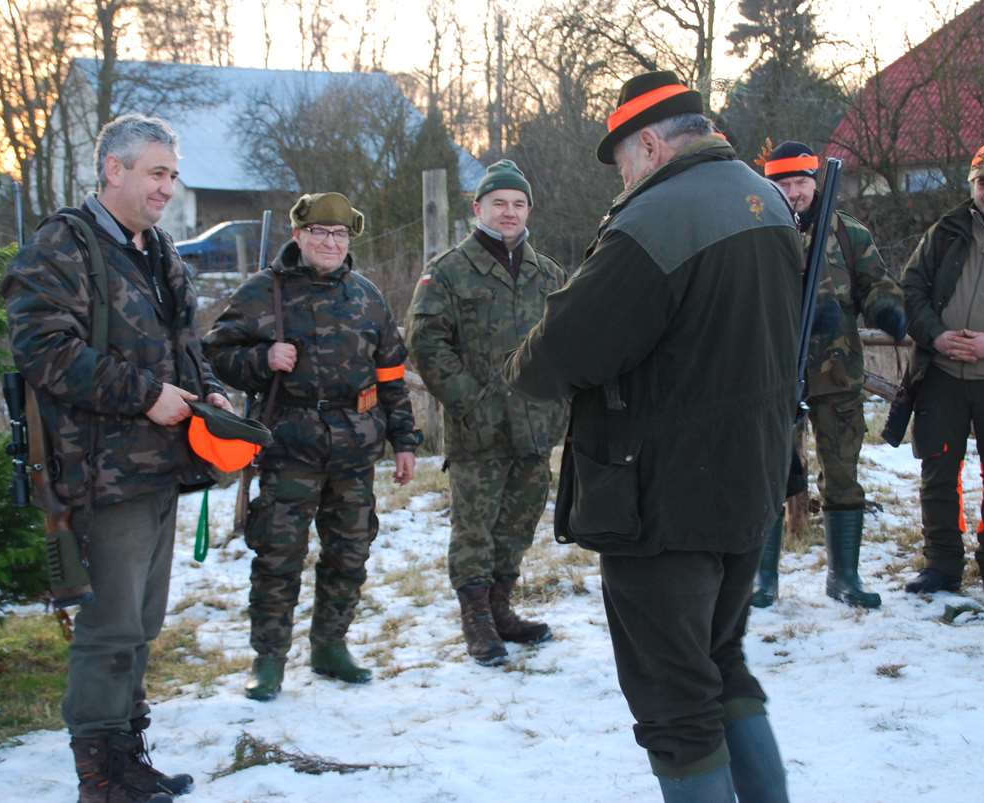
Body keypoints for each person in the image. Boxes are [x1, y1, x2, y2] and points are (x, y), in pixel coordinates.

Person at [503, 71, 797, 802]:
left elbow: (560, 353)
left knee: (675, 701)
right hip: (749, 479)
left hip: (662, 498)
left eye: (623, 164)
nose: (624, 180)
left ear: (651, 145)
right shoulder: (764, 199)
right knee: (721, 662)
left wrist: (522, 361)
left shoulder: (659, 217)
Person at [3, 114, 230, 802]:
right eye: (156, 173)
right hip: (99, 475)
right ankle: (100, 778)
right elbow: (44, 352)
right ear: (113, 170)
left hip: (162, 467)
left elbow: (186, 344)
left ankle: (130, 759)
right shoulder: (61, 247)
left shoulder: (158, 250)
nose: (168, 187)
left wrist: (210, 392)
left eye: (172, 175)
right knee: (109, 627)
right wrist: (146, 394)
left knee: (141, 625)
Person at [203, 192, 420, 701]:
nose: (329, 242)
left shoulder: (367, 297)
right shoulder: (265, 292)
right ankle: (269, 659)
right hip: (289, 446)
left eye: (339, 234)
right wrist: (262, 359)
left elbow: (391, 376)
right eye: (319, 232)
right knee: (278, 555)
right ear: (298, 235)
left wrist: (404, 441)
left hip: (355, 448)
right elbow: (214, 354)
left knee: (350, 553)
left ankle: (330, 646)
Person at [405, 160, 567, 666]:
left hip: (535, 425)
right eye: (499, 203)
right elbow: (426, 342)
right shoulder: (448, 270)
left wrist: (560, 402)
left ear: (529, 211)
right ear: (478, 208)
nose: (509, 212)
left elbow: (567, 342)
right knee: (474, 527)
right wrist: (470, 401)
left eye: (518, 204)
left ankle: (501, 609)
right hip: (478, 426)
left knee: (518, 523)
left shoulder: (549, 274)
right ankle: (476, 619)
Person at [750, 141, 907, 609]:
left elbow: (876, 284)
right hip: (773, 373)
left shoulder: (847, 233)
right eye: (783, 184)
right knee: (768, 473)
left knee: (842, 473)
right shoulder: (755, 232)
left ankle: (844, 577)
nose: (794, 192)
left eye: (801, 182)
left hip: (837, 375)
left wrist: (887, 309)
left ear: (815, 182)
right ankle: (761, 580)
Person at [900, 139, 984, 602]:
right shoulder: (946, 230)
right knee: (937, 471)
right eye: (982, 182)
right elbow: (912, 287)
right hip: (942, 374)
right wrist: (935, 335)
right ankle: (942, 565)